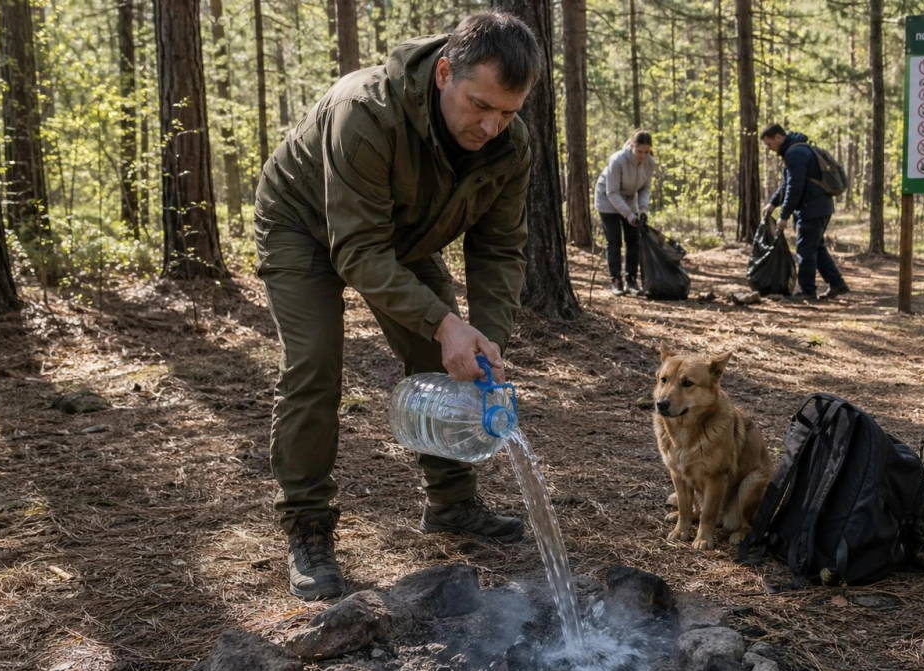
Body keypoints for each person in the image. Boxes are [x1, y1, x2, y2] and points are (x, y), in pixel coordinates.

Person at [252, 11, 543, 601]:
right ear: (443, 74)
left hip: (405, 236)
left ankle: (453, 504)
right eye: (480, 105)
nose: (491, 126)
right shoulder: (364, 111)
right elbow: (357, 249)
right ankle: (307, 528)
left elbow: (501, 250)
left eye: (508, 112)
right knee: (314, 365)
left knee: (445, 359)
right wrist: (443, 321)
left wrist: (482, 340)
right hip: (303, 226)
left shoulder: (511, 146)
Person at [760, 124, 850, 302]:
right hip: (818, 207)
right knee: (816, 247)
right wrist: (773, 203)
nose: (770, 149)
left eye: (769, 144)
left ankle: (807, 291)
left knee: (805, 250)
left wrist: (784, 215)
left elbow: (795, 187)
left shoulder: (796, 154)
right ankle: (836, 284)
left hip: (812, 209)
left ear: (778, 137)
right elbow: (787, 184)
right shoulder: (795, 151)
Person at [595, 130, 657, 297]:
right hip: (607, 200)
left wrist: (642, 210)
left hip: (629, 201)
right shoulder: (617, 160)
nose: (643, 155)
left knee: (633, 241)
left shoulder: (650, 163)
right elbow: (612, 192)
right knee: (614, 242)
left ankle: (631, 281)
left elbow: (645, 188)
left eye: (646, 151)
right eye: (639, 151)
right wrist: (628, 214)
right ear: (631, 146)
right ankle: (616, 281)